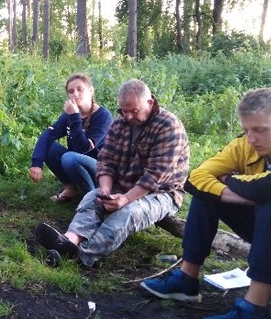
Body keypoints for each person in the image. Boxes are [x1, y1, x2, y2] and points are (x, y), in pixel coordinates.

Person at [141, 88, 271, 319]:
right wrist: (242, 192)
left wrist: (231, 180)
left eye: (260, 130)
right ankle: (186, 280)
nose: (251, 139)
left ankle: (255, 312)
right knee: (208, 195)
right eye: (247, 130)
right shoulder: (243, 145)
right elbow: (195, 179)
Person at [34, 79, 189, 268]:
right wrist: (106, 189)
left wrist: (125, 199)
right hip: (122, 184)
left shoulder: (168, 126)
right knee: (93, 197)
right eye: (124, 111)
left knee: (129, 213)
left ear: (149, 103)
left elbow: (155, 176)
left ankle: (84, 255)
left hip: (161, 192)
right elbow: (106, 161)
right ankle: (68, 241)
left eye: (134, 111)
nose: (128, 116)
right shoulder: (119, 124)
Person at [29, 73, 112, 202]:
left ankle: (91, 196)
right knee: (49, 147)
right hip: (76, 162)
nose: (75, 94)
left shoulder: (103, 116)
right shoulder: (69, 115)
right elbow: (47, 135)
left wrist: (74, 117)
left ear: (90, 91)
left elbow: (83, 148)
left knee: (70, 158)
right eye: (71, 91)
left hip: (101, 169)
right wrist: (36, 163)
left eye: (80, 89)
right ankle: (71, 188)